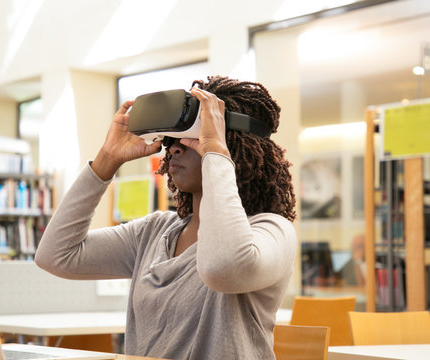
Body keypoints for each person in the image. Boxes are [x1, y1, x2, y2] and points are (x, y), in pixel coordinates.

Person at [35, 76, 297, 360]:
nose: (174, 147)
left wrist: (215, 153)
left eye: (194, 136)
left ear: (232, 144)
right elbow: (56, 255)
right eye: (172, 139)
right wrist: (106, 160)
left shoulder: (272, 231)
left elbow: (222, 267)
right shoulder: (154, 232)